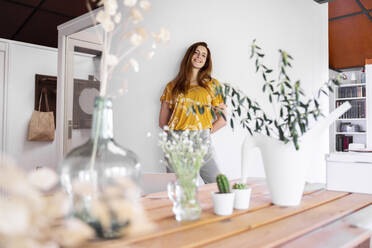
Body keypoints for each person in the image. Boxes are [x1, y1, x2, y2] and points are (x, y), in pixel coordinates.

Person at [159, 41, 227, 183]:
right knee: (176, 187)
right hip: (176, 140)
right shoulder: (172, 86)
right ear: (190, 55)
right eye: (196, 52)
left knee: (216, 184)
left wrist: (203, 135)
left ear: (206, 61)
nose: (199, 57)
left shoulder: (212, 84)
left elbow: (223, 119)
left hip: (201, 139)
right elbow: (163, 122)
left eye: (204, 55)